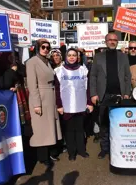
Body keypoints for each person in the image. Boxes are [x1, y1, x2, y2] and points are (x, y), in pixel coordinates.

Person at [90, 33, 132, 159]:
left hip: (120, 95)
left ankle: (118, 147)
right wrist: (93, 94)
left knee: (120, 123)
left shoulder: (123, 57)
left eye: (115, 40)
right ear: (105, 42)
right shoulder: (98, 57)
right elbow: (93, 76)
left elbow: (127, 76)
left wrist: (126, 93)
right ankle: (105, 148)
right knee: (104, 124)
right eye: (110, 40)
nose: (112, 42)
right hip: (104, 95)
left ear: (117, 42)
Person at [26, 39, 62, 167]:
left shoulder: (47, 62)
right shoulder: (32, 62)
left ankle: (50, 153)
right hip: (40, 97)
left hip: (50, 96)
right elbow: (32, 84)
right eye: (43, 47)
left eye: (48, 47)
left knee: (50, 126)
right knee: (41, 128)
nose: (46, 49)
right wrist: (36, 104)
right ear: (38, 47)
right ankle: (42, 157)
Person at [55, 48, 93, 161]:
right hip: (66, 106)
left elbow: (88, 88)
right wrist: (59, 105)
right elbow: (57, 90)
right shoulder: (59, 71)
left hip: (81, 105)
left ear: (78, 57)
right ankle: (72, 153)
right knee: (69, 131)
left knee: (80, 130)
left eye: (74, 55)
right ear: (66, 57)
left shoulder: (83, 70)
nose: (72, 57)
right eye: (69, 55)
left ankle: (81, 150)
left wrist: (89, 103)